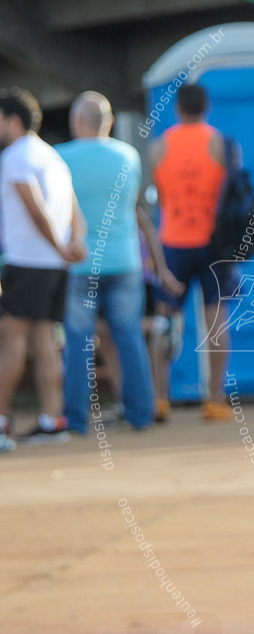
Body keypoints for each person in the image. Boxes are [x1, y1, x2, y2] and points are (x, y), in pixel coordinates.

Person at [57, 91, 184, 434]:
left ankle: (76, 420)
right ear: (108, 123)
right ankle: (141, 413)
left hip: (79, 264)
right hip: (124, 262)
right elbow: (136, 209)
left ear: (77, 121)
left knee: (79, 341)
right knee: (128, 337)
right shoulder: (128, 155)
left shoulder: (59, 157)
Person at [0, 88, 86, 450]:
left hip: (28, 260)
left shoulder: (16, 156)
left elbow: (34, 208)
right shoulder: (53, 156)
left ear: (13, 120)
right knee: (45, 340)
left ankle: (2, 423)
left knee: (11, 337)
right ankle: (52, 421)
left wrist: (59, 246)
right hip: (53, 265)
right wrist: (71, 246)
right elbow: (75, 211)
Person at [149, 83, 236, 421]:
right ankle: (214, 399)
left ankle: (160, 399)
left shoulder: (159, 147)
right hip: (213, 244)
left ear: (178, 108)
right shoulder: (218, 143)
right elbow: (230, 194)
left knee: (164, 320)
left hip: (173, 242)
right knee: (215, 320)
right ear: (206, 107)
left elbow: (158, 195)